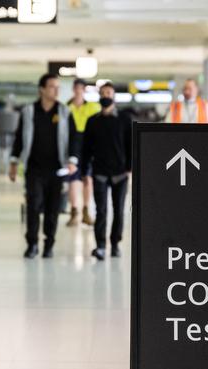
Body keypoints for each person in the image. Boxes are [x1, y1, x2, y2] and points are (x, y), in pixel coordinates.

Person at [9, 74, 77, 259]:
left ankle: (49, 244)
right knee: (33, 206)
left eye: (58, 87)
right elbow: (19, 139)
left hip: (57, 170)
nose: (56, 90)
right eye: (52, 87)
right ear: (42, 89)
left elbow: (73, 138)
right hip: (34, 168)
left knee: (53, 209)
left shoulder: (64, 112)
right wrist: (14, 162)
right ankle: (32, 244)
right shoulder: (29, 111)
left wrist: (72, 160)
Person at [80, 82, 132, 261]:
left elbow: (131, 145)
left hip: (121, 173)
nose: (105, 96)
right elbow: (86, 148)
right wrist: (84, 171)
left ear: (114, 96)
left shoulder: (125, 120)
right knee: (101, 211)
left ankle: (115, 244)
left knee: (119, 210)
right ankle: (100, 245)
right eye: (102, 93)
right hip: (99, 172)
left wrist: (130, 169)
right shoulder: (93, 121)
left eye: (108, 92)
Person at [66, 78, 100, 227]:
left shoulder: (93, 107)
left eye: (81, 88)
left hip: (89, 144)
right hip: (71, 145)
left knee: (88, 178)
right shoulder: (65, 108)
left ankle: (86, 210)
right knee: (73, 178)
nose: (78, 91)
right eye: (76, 88)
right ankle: (74, 211)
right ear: (73, 89)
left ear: (84, 90)